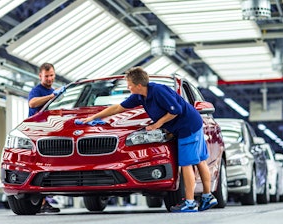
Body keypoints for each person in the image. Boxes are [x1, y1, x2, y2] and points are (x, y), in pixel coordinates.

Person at [81, 67, 217, 212]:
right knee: (200, 160)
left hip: (187, 126)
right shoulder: (140, 96)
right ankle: (207, 197)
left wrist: (157, 124)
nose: (128, 87)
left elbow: (175, 110)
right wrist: (93, 117)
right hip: (192, 123)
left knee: (187, 164)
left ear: (139, 85)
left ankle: (190, 203)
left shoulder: (159, 91)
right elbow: (118, 108)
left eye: (129, 84)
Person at [28, 62, 61, 213]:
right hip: (37, 135)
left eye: (51, 75)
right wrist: (52, 96)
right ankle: (40, 202)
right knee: (41, 166)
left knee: (51, 167)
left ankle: (43, 201)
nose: (49, 78)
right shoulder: (37, 90)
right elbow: (32, 102)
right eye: (46, 76)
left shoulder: (54, 91)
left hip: (49, 134)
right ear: (40, 76)